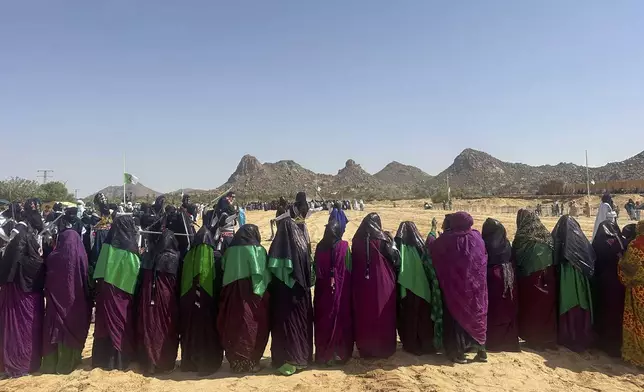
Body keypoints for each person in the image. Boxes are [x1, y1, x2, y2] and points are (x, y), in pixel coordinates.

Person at [431, 212, 487, 363]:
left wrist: (431, 234)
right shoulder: (477, 237)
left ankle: (457, 353)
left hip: (455, 288)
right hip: (476, 287)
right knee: (477, 316)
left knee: (456, 318)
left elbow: (434, 250)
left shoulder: (448, 240)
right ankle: (481, 351)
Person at [217, 224, 271, 373]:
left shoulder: (229, 251)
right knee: (253, 326)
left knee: (234, 326)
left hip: (232, 294)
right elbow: (261, 275)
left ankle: (236, 363)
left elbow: (223, 268)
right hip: (252, 294)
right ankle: (252, 362)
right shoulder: (258, 250)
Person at [41, 217, 91, 375]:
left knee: (53, 330)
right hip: (75, 303)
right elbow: (84, 277)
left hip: (55, 304)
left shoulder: (52, 257)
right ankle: (68, 363)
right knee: (71, 329)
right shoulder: (81, 256)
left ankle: (50, 364)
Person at [91, 215, 140, 370]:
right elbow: (135, 274)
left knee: (106, 323)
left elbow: (99, 273)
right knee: (121, 322)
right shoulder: (131, 248)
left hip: (106, 292)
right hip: (123, 294)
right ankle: (120, 359)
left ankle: (103, 359)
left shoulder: (107, 246)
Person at [0, 213, 45, 377]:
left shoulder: (10, 268)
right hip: (27, 297)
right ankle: (23, 364)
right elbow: (35, 263)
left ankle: (11, 364)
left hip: (16, 292)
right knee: (24, 330)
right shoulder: (34, 256)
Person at [268, 216, 313, 376]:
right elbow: (309, 271)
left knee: (284, 327)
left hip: (282, 296)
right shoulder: (301, 246)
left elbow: (271, 272)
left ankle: (284, 360)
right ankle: (300, 358)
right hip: (300, 295)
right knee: (298, 326)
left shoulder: (275, 248)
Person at [351, 213, 399, 359]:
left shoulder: (356, 240)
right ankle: (384, 347)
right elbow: (395, 259)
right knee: (383, 312)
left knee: (364, 313)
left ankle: (367, 349)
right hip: (383, 282)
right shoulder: (383, 239)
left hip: (361, 283)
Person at [180, 219, 224, 375]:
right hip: (208, 303)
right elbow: (219, 281)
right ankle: (208, 360)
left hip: (189, 303)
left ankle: (190, 361)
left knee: (190, 330)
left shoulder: (187, 257)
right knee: (208, 330)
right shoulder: (216, 256)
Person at [136, 229, 181, 374]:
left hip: (148, 297)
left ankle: (149, 362)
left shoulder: (149, 256)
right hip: (166, 299)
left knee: (150, 327)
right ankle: (164, 362)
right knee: (166, 328)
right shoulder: (174, 257)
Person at [396, 221, 442, 355]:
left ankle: (412, 344)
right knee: (423, 317)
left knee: (410, 317)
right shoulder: (421, 245)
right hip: (423, 288)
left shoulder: (398, 247)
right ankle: (426, 344)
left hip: (407, 290)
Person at [513, 209, 557, 350]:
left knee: (532, 310)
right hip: (548, 279)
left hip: (529, 280)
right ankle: (547, 338)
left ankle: (534, 339)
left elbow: (516, 259)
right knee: (546, 309)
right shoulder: (546, 236)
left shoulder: (522, 238)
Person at [552, 215, 595, 352]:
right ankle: (582, 335)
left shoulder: (557, 240)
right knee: (580, 303)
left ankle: (568, 336)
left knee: (568, 303)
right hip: (581, 279)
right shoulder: (582, 241)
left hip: (566, 278)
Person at [314, 219, 353, 366]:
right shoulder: (344, 247)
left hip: (323, 291)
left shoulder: (319, 247)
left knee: (324, 320)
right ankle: (339, 353)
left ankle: (325, 355)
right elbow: (349, 268)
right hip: (341, 290)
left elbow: (315, 268)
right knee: (340, 318)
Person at [482, 218, 520, 352]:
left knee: (493, 310)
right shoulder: (507, 244)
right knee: (508, 309)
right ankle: (509, 341)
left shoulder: (483, 244)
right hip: (507, 277)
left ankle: (493, 341)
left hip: (491, 278)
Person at [591, 220, 627, 357]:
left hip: (603, 282)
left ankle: (605, 342)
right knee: (618, 312)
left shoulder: (599, 242)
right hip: (620, 282)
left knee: (605, 312)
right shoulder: (622, 241)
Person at [618, 220, 644, 367]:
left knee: (637, 321)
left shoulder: (635, 245)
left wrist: (620, 261)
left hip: (638, 290)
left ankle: (638, 356)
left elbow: (628, 270)